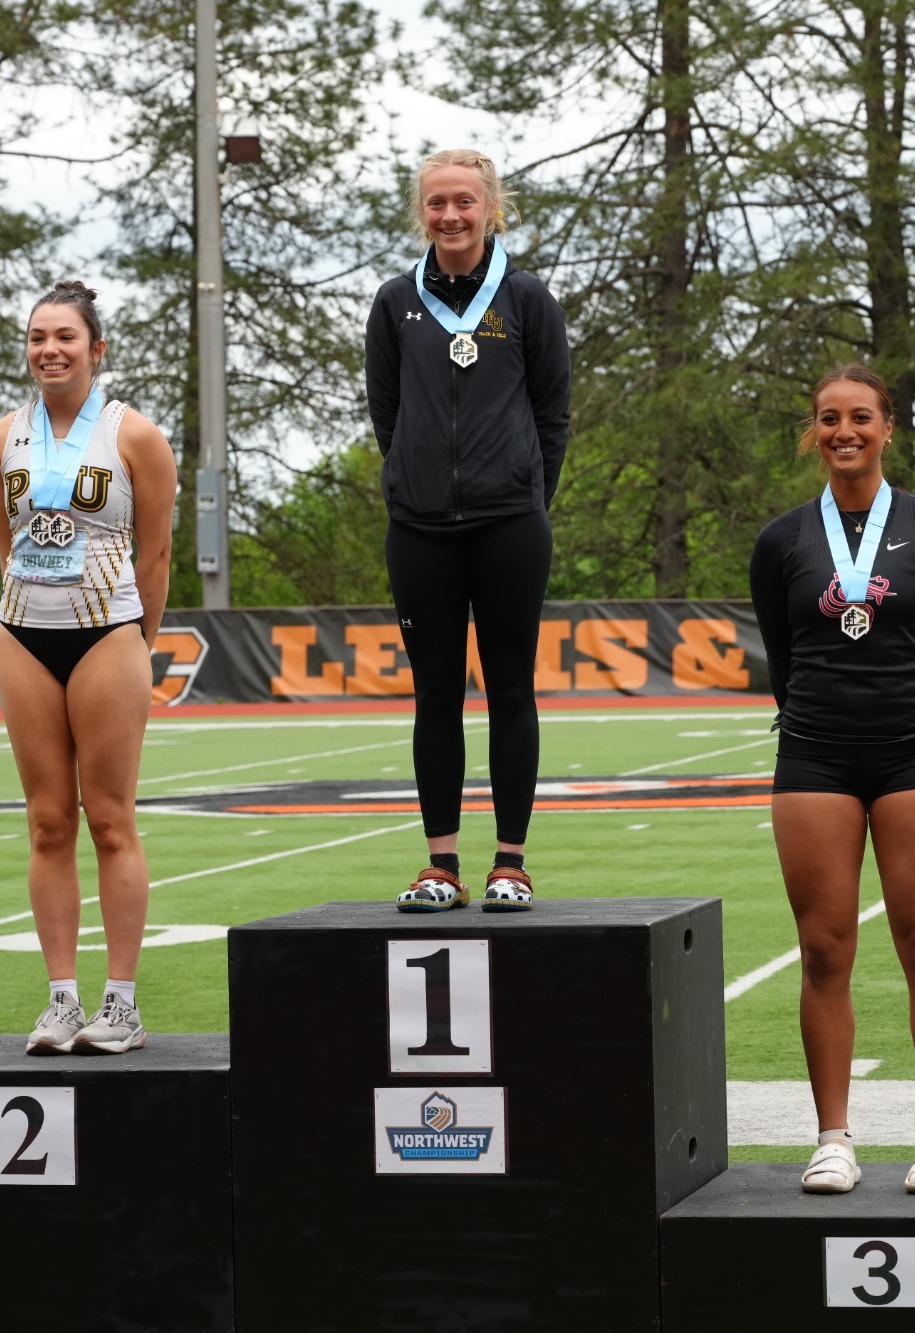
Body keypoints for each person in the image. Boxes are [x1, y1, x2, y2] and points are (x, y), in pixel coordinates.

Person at [747, 363, 915, 1193]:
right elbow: (783, 659)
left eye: (860, 418)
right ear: (813, 431)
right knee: (821, 949)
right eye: (828, 419)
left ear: (888, 426)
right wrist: (822, 719)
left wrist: (910, 718)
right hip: (813, 752)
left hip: (913, 747)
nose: (844, 431)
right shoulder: (782, 541)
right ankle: (834, 1137)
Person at [364, 148, 571, 912]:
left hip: (510, 524)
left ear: (491, 208)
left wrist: (521, 491)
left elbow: (552, 413)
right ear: (421, 211)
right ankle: (440, 864)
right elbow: (388, 414)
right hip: (419, 528)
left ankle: (510, 862)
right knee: (435, 694)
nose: (450, 215)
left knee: (511, 687)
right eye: (437, 203)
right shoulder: (395, 302)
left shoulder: (526, 298)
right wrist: (417, 480)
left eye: (464, 202)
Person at [0, 280, 177, 1054]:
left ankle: (119, 1004)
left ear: (97, 349)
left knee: (111, 818)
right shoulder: (1, 440)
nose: (49, 349)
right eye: (36, 337)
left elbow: (155, 552)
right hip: (25, 631)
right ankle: (61, 1000)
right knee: (47, 819)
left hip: (108, 633)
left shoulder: (134, 436)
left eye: (64, 336)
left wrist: (137, 638)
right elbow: (5, 542)